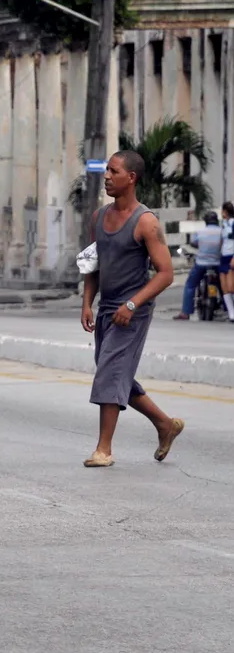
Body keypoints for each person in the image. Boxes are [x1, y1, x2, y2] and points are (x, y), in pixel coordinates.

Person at [81, 150, 184, 468]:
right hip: (107, 308)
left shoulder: (146, 222)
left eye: (114, 171)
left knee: (110, 371)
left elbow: (166, 273)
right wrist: (87, 303)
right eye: (107, 170)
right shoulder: (99, 218)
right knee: (113, 372)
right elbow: (92, 265)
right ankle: (165, 424)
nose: (107, 176)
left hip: (133, 311)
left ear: (131, 178)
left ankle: (104, 449)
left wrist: (132, 303)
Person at [173, 209, 223, 320]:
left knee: (190, 285)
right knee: (223, 286)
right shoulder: (222, 232)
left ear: (206, 221)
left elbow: (193, 243)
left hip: (201, 264)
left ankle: (185, 313)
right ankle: (227, 308)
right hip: (217, 264)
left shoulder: (200, 232)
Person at [219, 202, 234, 321]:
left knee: (231, 287)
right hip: (223, 256)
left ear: (225, 211)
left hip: (231, 256)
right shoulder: (223, 224)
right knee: (224, 287)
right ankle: (231, 313)